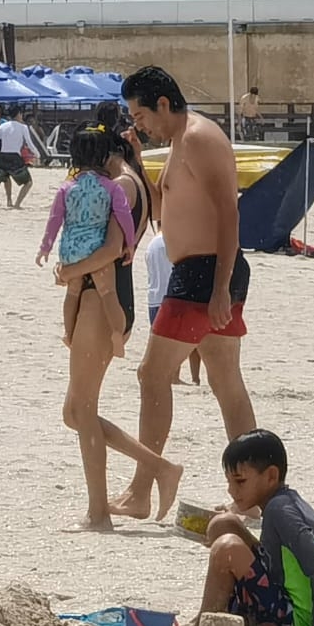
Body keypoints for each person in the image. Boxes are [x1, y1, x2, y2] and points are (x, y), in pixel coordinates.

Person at [111, 66, 257, 521]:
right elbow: (164, 208)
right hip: (202, 271)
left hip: (204, 274)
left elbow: (229, 214)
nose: (138, 124)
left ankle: (142, 489)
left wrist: (218, 288)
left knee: (153, 376)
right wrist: (135, 159)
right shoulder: (179, 144)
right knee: (226, 382)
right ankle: (253, 496)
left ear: (163, 103)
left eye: (140, 114)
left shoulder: (197, 138)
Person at [53, 127, 183, 532]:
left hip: (101, 293)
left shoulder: (121, 184)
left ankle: (99, 514)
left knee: (83, 410)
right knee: (74, 412)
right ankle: (160, 467)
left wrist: (69, 271)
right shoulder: (134, 178)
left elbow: (112, 249)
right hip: (104, 293)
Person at [182, 429, 314, 626]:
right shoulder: (280, 503)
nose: (231, 490)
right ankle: (233, 623)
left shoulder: (281, 510)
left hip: (295, 622)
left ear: (271, 476)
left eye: (240, 481)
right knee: (224, 525)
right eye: (229, 482)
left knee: (226, 549)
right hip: (282, 602)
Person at [36, 123, 138, 357]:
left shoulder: (66, 188)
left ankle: (70, 334)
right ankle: (116, 333)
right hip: (97, 248)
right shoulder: (112, 188)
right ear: (104, 156)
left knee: (72, 294)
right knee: (109, 294)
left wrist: (45, 248)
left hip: (71, 249)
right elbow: (124, 218)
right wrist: (129, 244)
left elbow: (54, 219)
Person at [145, 228, 201, 385]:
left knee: (161, 341)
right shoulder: (176, 240)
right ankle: (192, 377)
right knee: (191, 340)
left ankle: (168, 374)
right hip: (173, 295)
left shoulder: (152, 244)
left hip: (154, 296)